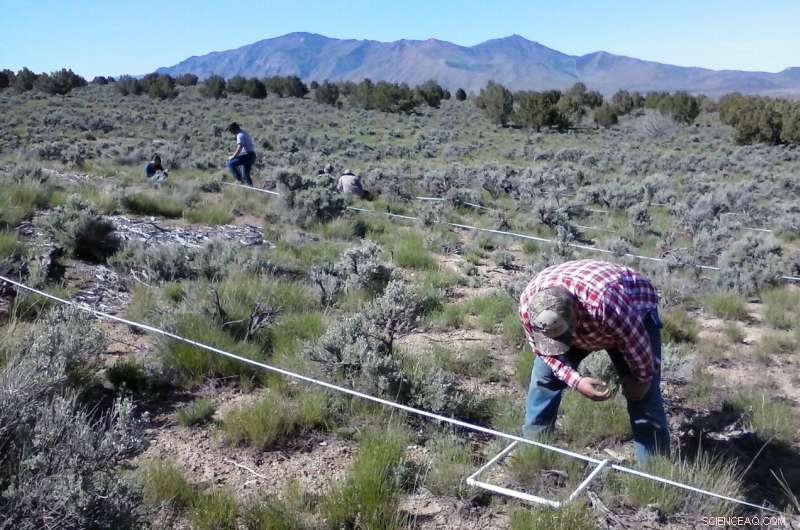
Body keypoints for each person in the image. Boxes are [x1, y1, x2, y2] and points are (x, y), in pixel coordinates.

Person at [518, 259, 670, 464]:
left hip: (632, 311)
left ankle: (654, 469)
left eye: (562, 338)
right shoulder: (528, 307)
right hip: (593, 318)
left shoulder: (607, 305)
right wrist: (577, 381)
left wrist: (642, 380)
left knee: (644, 395)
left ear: (576, 317)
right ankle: (533, 453)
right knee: (544, 379)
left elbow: (637, 345)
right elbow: (547, 354)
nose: (558, 344)